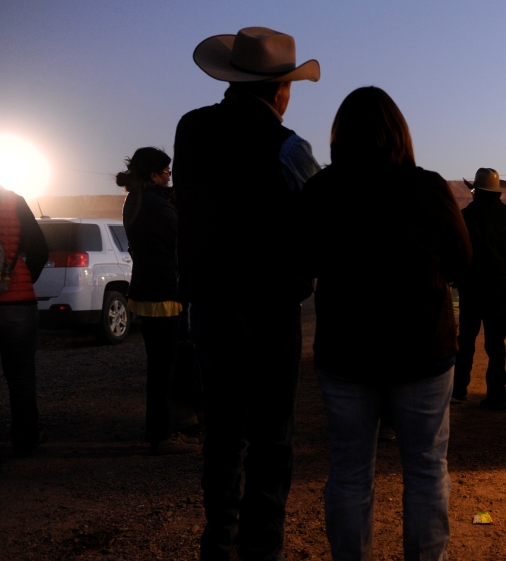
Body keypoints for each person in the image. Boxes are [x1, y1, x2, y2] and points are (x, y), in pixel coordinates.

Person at [302, 86, 471, 561]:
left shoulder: (321, 191)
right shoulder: (429, 188)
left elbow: (304, 260)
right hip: (423, 348)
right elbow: (462, 259)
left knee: (351, 470)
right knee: (425, 469)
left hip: (345, 350)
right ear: (400, 133)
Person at [172, 27, 321, 560]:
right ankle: (262, 547)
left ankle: (219, 538)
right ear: (281, 90)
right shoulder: (288, 146)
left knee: (224, 428)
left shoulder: (190, 130)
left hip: (209, 303)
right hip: (271, 307)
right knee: (271, 434)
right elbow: (318, 217)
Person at [117, 147, 199, 456]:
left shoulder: (139, 199)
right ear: (154, 175)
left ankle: (167, 428)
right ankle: (161, 435)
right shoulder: (155, 205)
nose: (169, 178)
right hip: (162, 291)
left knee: (165, 364)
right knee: (163, 368)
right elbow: (183, 237)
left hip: (151, 289)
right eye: (166, 173)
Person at [0, 140, 49, 483]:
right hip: (17, 302)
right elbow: (39, 248)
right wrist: (19, 279)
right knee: (21, 377)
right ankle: (24, 440)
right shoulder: (13, 200)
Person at [453, 168, 506, 411]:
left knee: (466, 340)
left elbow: (459, 252)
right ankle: (496, 394)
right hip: (500, 288)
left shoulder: (465, 216)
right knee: (496, 343)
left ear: (475, 191)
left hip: (472, 288)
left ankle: (459, 389)